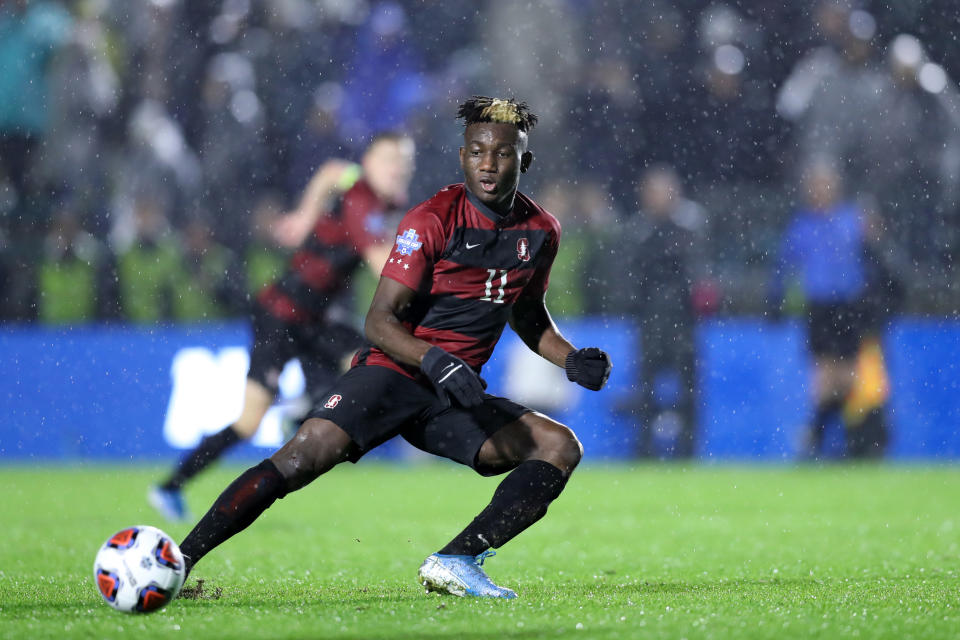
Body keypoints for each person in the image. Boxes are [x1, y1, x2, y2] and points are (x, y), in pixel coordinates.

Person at [172, 97, 611, 600]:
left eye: (503, 154)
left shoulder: (540, 232)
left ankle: (458, 560)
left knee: (558, 446)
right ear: (462, 157)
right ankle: (179, 562)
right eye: (477, 152)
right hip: (395, 372)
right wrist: (433, 358)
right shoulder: (431, 220)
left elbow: (529, 315)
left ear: (524, 161)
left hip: (452, 393)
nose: (488, 164)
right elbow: (378, 322)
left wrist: (570, 357)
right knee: (303, 457)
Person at [149, 132, 415, 521]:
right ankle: (171, 486)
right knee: (249, 421)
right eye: (391, 158)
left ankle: (305, 408)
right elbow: (380, 264)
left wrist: (305, 215)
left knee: (367, 361)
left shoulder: (367, 188)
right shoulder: (361, 201)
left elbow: (329, 171)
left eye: (405, 160)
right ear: (371, 162)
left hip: (316, 318)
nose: (399, 167)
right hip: (280, 314)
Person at [770, 157, 873, 458]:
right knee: (825, 375)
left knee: (849, 375)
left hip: (850, 304)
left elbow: (871, 261)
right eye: (814, 186)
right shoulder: (801, 225)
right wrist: (775, 299)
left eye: (825, 185)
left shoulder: (853, 220)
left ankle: (830, 436)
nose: (819, 191)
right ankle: (822, 438)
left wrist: (874, 300)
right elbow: (785, 265)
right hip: (820, 306)